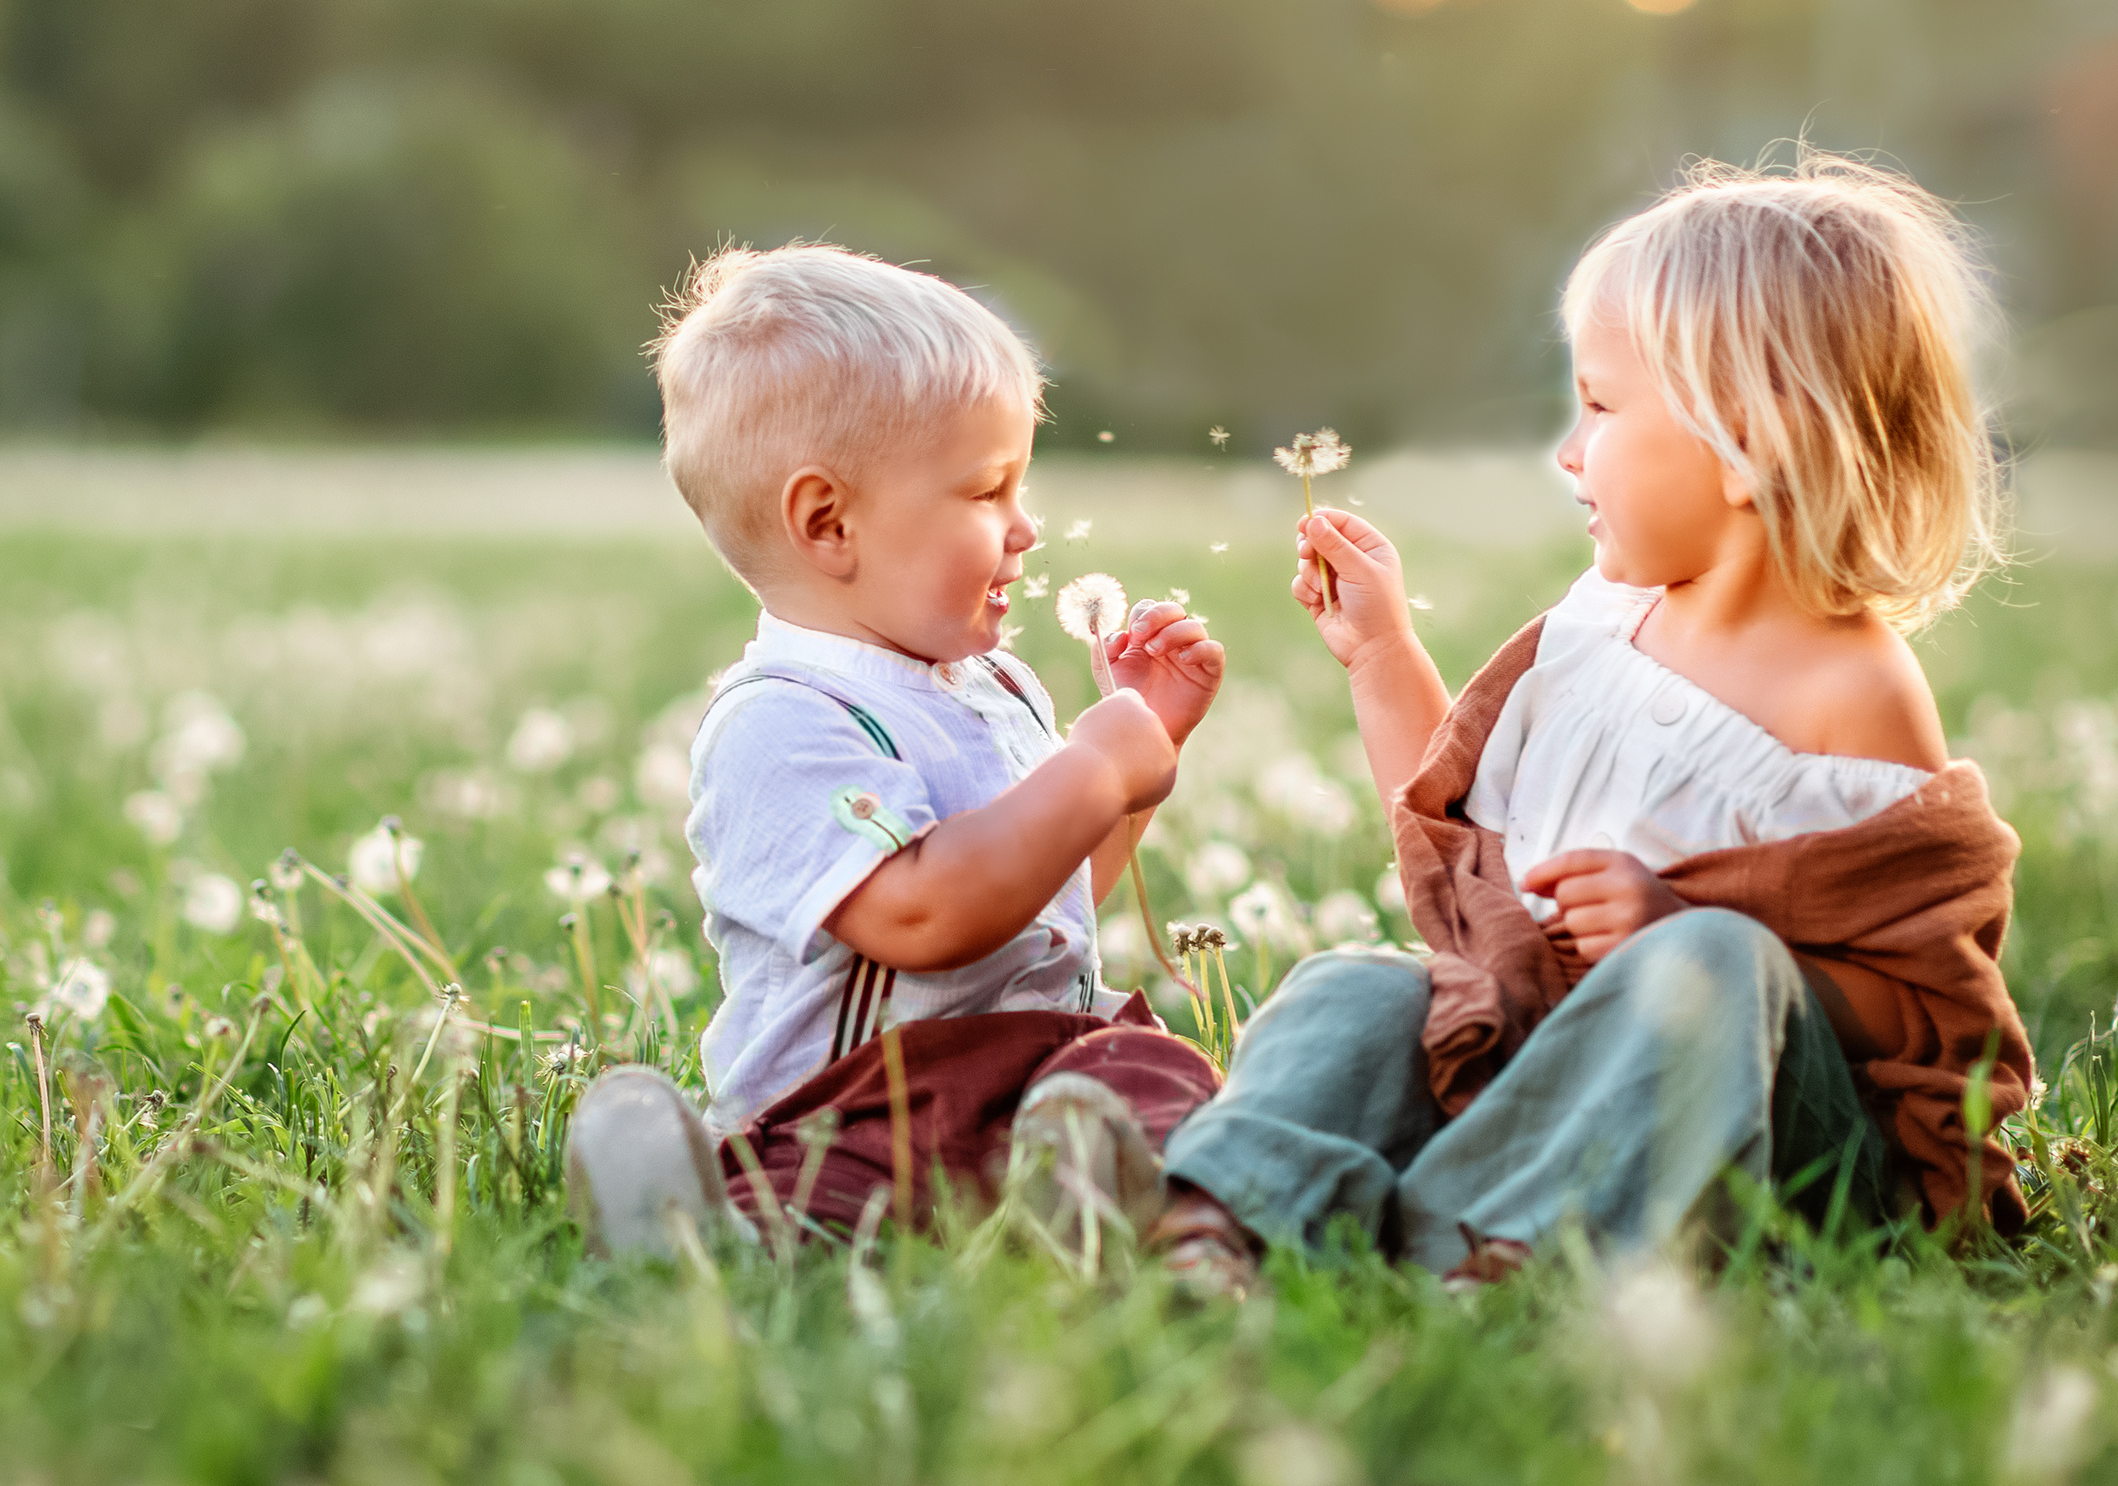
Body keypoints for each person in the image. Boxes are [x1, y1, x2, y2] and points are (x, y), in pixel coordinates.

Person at [1154, 152, 2034, 1294]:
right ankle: (1218, 1211)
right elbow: (1467, 850)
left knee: (1710, 963)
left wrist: (1677, 923)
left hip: (1781, 1151)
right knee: (1361, 987)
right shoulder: (1599, 629)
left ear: (1748, 440)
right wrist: (1380, 654)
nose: (1568, 450)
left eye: (1602, 406)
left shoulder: (1849, 691)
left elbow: (1920, 1015)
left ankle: (1495, 1243)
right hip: (1540, 1062)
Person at [565, 243, 1224, 1257]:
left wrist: (1141, 759)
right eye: (986, 492)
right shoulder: (783, 724)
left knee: (1149, 1067)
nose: (1026, 529)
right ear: (828, 522)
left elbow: (1043, 893)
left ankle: (1121, 1206)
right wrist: (1095, 764)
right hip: (868, 1098)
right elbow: (925, 913)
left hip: (1044, 1069)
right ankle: (701, 1230)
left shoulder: (995, 688)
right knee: (820, 1189)